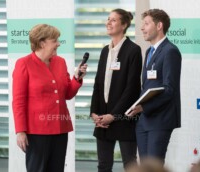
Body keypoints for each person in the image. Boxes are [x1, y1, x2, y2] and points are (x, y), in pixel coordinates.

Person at [12, 24, 87, 172]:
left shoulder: (60, 62)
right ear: (42, 43)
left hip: (60, 129)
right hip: (36, 131)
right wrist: (20, 131)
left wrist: (76, 79)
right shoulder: (23, 63)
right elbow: (18, 101)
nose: (58, 43)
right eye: (55, 40)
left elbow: (67, 94)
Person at [90, 8, 142, 172]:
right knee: (103, 165)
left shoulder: (133, 50)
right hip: (102, 117)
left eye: (113, 20)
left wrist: (113, 115)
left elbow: (132, 88)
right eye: (108, 19)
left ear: (124, 24)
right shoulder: (105, 51)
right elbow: (98, 84)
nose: (108, 23)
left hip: (123, 116)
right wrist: (94, 113)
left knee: (130, 164)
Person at [128, 9, 182, 164]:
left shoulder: (170, 51)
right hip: (144, 120)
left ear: (159, 26)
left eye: (146, 23)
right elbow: (147, 86)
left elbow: (169, 89)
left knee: (154, 166)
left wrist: (144, 107)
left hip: (160, 119)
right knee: (145, 166)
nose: (142, 28)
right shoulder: (149, 51)